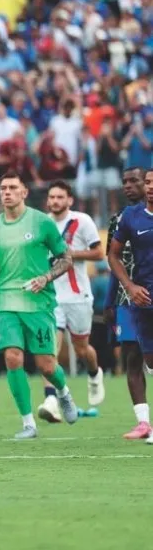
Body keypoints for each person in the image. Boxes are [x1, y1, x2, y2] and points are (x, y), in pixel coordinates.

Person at [0, 171, 79, 440]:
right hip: (5, 301)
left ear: (24, 192)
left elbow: (66, 259)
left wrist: (45, 277)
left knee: (47, 366)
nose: (6, 192)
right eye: (3, 188)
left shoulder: (42, 223)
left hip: (38, 302)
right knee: (12, 357)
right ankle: (28, 423)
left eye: (12, 187)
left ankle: (63, 392)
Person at [37, 181, 105, 423]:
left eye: (60, 197)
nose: (55, 201)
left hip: (78, 296)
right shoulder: (41, 223)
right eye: (51, 197)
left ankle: (94, 373)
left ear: (70, 200)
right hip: (51, 297)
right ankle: (51, 400)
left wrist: (68, 253)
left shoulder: (82, 221)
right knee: (49, 350)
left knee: (82, 350)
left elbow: (99, 253)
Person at [109, 168, 153, 447]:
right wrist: (129, 287)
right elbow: (112, 256)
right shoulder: (128, 217)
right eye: (148, 182)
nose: (150, 187)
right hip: (141, 298)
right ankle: (144, 423)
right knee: (143, 360)